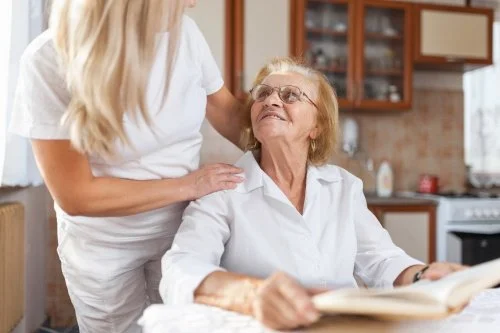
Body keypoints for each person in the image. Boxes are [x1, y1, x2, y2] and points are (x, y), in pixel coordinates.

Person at [160, 57, 467, 331]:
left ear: (317, 126)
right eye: (262, 94)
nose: (271, 101)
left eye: (290, 95)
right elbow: (181, 268)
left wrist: (423, 275)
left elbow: (382, 260)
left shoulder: (344, 187)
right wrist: (249, 295)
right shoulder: (221, 188)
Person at [9, 1, 245, 332]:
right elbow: (77, 196)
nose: (193, 3)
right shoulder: (50, 60)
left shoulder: (185, 34)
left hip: (183, 233)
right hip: (103, 252)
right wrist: (190, 185)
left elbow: (227, 111)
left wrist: (285, 146)